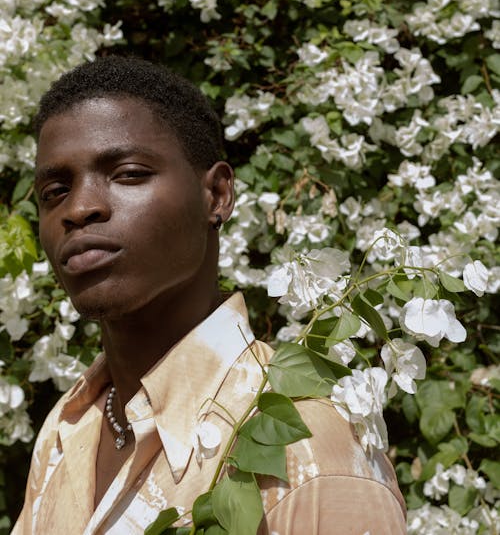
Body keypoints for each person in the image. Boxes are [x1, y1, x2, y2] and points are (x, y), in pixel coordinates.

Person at [13, 55, 406, 534]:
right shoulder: (68, 427)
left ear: (216, 195)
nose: (79, 208)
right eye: (55, 190)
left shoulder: (310, 446)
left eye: (129, 173)